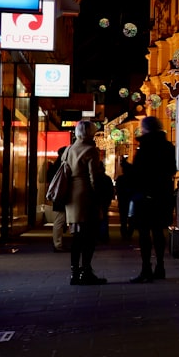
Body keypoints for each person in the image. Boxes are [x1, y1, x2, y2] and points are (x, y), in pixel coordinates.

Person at [129, 117, 177, 283]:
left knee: (144, 233)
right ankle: (161, 266)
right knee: (158, 231)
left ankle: (146, 268)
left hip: (145, 196)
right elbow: (172, 168)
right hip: (163, 194)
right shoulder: (168, 146)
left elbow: (138, 173)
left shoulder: (144, 148)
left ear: (145, 129)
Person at [64, 121, 107, 285]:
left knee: (76, 238)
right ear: (90, 133)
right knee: (89, 237)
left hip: (72, 197)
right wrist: (99, 198)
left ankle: (74, 273)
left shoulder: (69, 149)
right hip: (86, 197)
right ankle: (86, 271)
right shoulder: (91, 150)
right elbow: (93, 178)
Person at [48, 146, 69, 251]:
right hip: (62, 196)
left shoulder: (55, 166)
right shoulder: (62, 166)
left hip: (58, 196)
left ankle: (58, 243)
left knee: (60, 220)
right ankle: (58, 244)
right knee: (60, 221)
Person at [115, 157, 135, 241]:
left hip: (124, 200)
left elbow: (118, 190)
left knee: (123, 219)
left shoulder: (120, 179)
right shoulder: (132, 180)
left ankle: (125, 233)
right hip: (130, 200)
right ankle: (128, 233)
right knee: (130, 218)